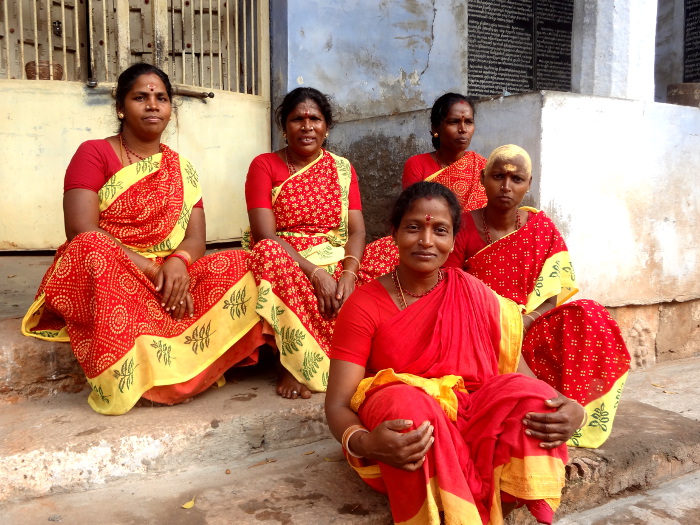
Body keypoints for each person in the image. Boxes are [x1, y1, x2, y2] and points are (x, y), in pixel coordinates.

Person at [326, 182, 583, 524]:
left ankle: (490, 516)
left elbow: (518, 375)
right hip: (408, 444)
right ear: (394, 233)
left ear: (453, 240)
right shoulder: (363, 305)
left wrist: (570, 407)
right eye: (414, 227)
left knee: (535, 399)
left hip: (473, 422)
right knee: (407, 407)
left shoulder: (471, 291)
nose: (427, 241)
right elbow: (338, 405)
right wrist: (364, 444)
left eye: (440, 231)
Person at [22, 63, 264, 415]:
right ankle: (146, 371)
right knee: (92, 246)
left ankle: (193, 360)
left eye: (161, 98)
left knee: (245, 259)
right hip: (108, 269)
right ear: (121, 107)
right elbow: (80, 229)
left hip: (167, 270)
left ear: (170, 109)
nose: (153, 105)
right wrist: (153, 271)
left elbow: (197, 237)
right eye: (141, 97)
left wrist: (179, 263)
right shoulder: (94, 153)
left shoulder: (183, 168)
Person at [445, 144, 631, 448]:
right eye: (498, 176)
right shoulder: (462, 226)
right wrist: (504, 321)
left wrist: (527, 320)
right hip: (481, 328)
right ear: (482, 178)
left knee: (589, 313)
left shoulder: (540, 227)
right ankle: (545, 406)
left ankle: (572, 412)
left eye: (516, 179)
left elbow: (555, 289)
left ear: (528, 184)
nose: (506, 186)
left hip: (530, 324)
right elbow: (450, 287)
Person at [245, 87, 395, 401]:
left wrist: (349, 275)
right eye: (297, 118)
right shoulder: (264, 165)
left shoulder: (342, 169)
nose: (307, 125)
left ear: (327, 127)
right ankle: (293, 364)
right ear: (284, 126)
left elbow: (357, 232)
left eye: (315, 118)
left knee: (395, 248)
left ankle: (379, 351)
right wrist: (316, 274)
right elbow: (264, 234)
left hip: (338, 256)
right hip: (290, 257)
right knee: (267, 252)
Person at [402, 92, 487, 212]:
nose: (463, 129)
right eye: (454, 122)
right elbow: (412, 213)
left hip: (476, 231)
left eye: (468, 122)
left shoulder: (482, 167)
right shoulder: (417, 164)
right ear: (435, 128)